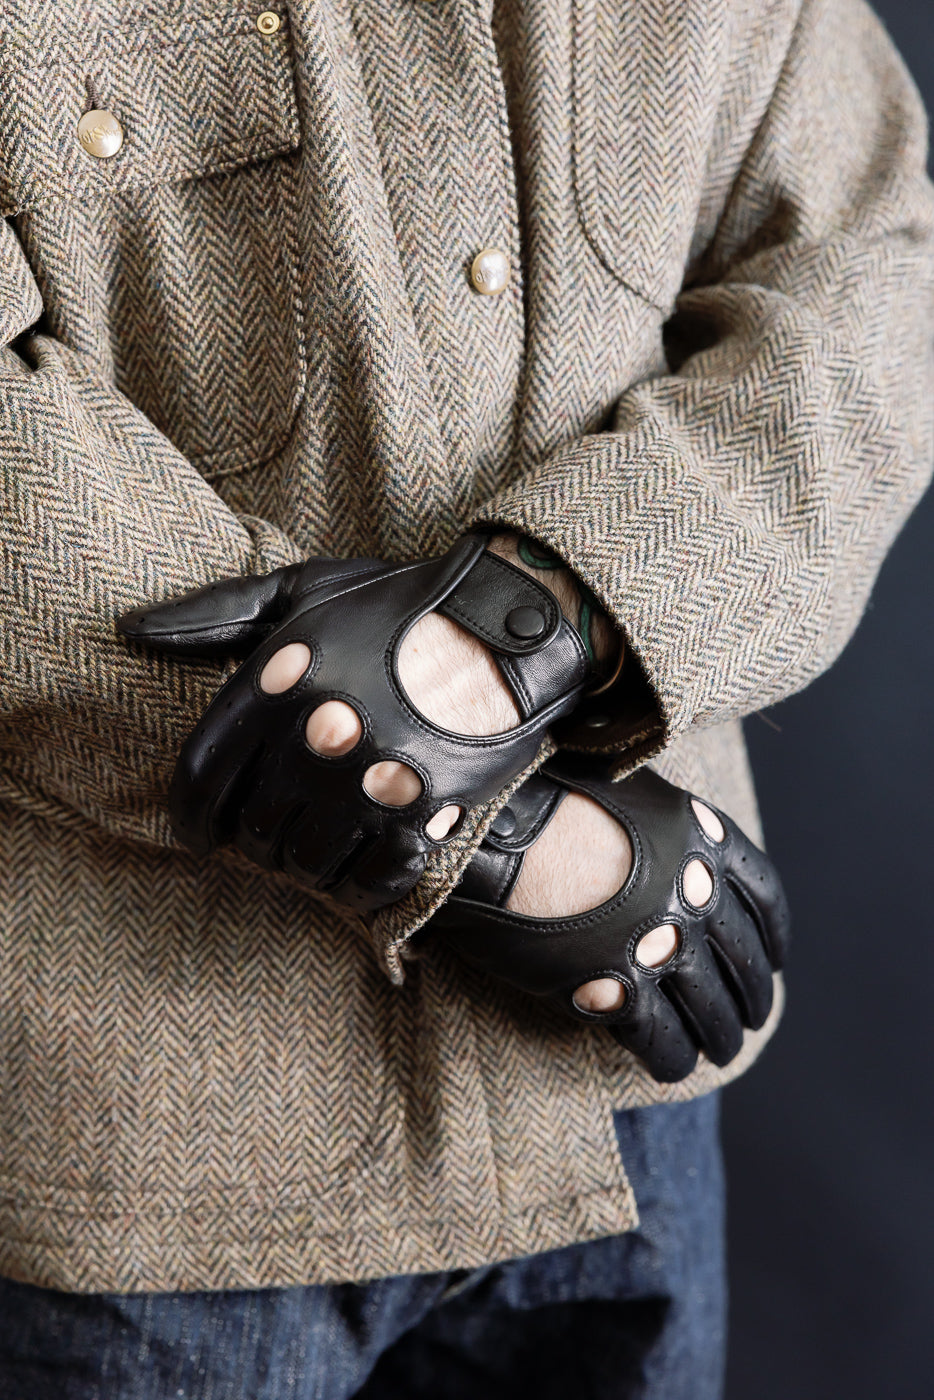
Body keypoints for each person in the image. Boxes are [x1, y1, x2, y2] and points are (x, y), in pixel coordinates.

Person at [0, 0, 931, 1396]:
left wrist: (545, 617)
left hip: (619, 1084)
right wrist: (495, 828)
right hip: (155, 1145)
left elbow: (873, 274)